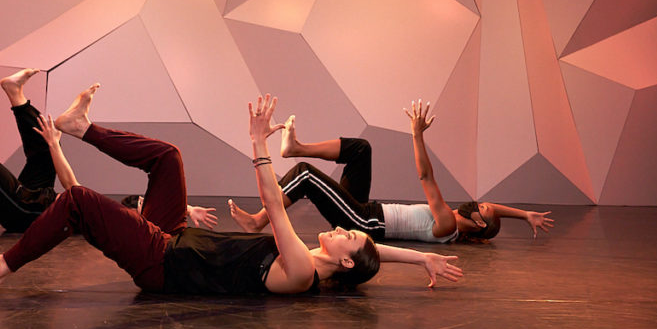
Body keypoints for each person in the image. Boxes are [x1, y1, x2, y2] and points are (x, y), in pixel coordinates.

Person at [0, 86, 463, 294]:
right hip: (176, 236)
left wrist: (256, 143)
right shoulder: (320, 261)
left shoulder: (301, 273)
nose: (342, 230)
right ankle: (81, 128)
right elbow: (373, 251)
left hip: (165, 263)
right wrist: (420, 259)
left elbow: (273, 204)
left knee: (77, 201)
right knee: (169, 157)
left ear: (345, 262)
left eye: (348, 238)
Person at [0, 69, 218, 232]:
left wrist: (57, 144)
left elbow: (73, 189)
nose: (143, 204)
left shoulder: (118, 221)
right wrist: (187, 209)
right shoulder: (129, 206)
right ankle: (16, 95)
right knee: (43, 151)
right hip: (42, 200)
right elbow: (149, 202)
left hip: (29, 214)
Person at [228, 99, 554, 243]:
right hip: (366, 209)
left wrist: (417, 135)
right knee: (361, 150)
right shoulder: (461, 221)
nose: (482, 203)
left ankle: (258, 221)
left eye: (483, 210)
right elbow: (494, 210)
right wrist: (525, 216)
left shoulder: (446, 225)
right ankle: (296, 147)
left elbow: (426, 177)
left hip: (364, 221)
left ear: (479, 225)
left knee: (305, 174)